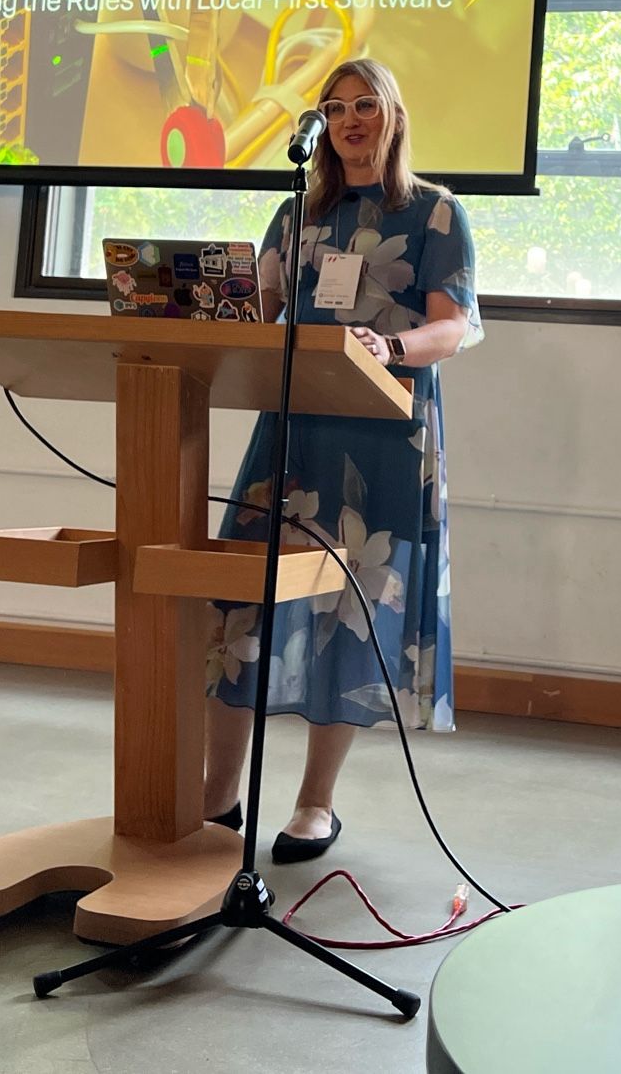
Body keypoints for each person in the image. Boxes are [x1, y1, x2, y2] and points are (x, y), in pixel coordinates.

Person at [202, 57, 480, 862]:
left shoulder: (434, 213)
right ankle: (217, 797)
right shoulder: (298, 214)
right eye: (334, 107)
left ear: (392, 114)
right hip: (295, 431)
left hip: (384, 433)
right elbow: (256, 310)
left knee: (351, 607)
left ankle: (314, 804)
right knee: (243, 602)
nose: (350, 119)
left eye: (365, 104)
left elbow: (451, 328)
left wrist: (386, 344)